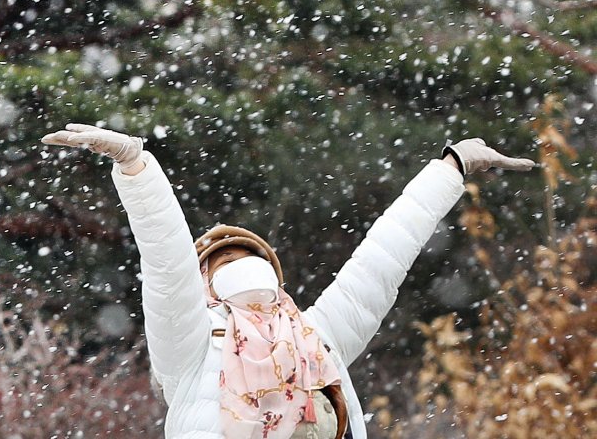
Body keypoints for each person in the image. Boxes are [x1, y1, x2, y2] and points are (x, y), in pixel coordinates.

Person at [41, 124, 534, 439]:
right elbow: (387, 252)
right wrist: (452, 169)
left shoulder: (190, 346)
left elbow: (168, 267)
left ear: (205, 283)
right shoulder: (320, 337)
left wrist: (136, 166)